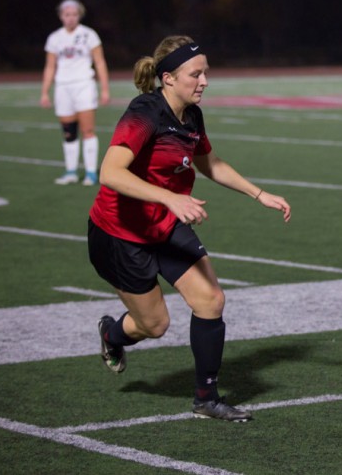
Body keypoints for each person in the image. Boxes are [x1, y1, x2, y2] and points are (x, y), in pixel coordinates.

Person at [88, 35, 291, 422]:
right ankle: (113, 335)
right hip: (120, 233)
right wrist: (167, 197)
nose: (204, 81)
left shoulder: (192, 115)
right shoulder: (144, 112)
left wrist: (258, 193)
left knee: (211, 300)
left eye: (205, 73)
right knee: (155, 324)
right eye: (195, 74)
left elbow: (209, 163)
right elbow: (109, 173)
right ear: (167, 78)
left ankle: (206, 399)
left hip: (165, 226)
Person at [41, 0, 110, 186]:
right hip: (63, 87)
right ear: (61, 16)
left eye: (74, 14)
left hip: (84, 85)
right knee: (69, 131)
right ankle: (70, 171)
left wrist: (104, 89)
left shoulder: (89, 35)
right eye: (66, 14)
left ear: (79, 15)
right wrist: (45, 91)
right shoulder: (55, 38)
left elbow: (100, 62)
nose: (70, 18)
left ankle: (90, 173)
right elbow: (50, 66)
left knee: (87, 130)